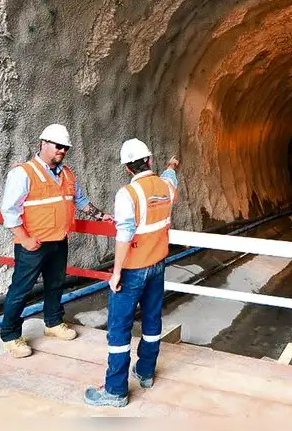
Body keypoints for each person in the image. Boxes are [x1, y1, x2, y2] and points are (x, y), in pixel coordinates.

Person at [0, 123, 113, 358]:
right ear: (43, 144)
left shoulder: (67, 174)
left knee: (55, 284)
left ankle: (52, 323)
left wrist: (102, 216)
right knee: (21, 290)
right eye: (58, 146)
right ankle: (10, 336)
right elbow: (9, 211)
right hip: (34, 244)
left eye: (66, 148)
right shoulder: (23, 173)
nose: (62, 150)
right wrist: (25, 239)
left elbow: (80, 201)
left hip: (59, 241)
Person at [84, 138, 179, 407]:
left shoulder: (128, 194)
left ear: (127, 167)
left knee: (119, 329)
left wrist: (116, 273)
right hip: (158, 265)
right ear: (149, 160)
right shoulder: (166, 187)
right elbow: (172, 180)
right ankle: (146, 372)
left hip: (133, 269)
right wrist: (172, 165)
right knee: (151, 321)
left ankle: (115, 391)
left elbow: (124, 235)